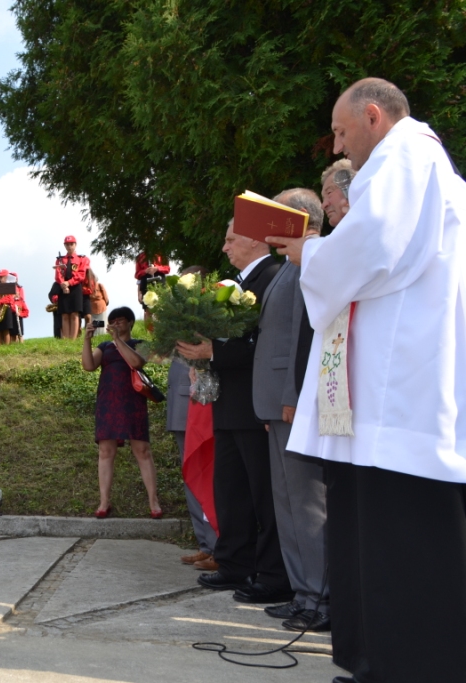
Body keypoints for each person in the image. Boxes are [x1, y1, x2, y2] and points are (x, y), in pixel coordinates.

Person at [268, 78, 466, 683]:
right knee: (379, 539)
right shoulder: (421, 161)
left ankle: (401, 667)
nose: (338, 145)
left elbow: (374, 245)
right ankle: (376, 662)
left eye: (342, 131)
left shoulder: (404, 156)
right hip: (398, 385)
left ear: (373, 116)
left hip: (398, 392)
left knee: (400, 545)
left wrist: (311, 255)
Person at [177, 221, 289, 605]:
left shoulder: (273, 276)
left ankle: (274, 573)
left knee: (263, 494)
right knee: (231, 490)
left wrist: (214, 353)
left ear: (256, 238)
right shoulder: (238, 284)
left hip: (254, 405)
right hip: (228, 402)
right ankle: (234, 562)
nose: (224, 248)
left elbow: (264, 344)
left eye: (230, 239)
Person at [250, 189, 330, 632]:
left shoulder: (311, 261)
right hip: (276, 404)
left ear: (297, 219)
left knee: (307, 503)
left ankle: (320, 596)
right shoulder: (290, 265)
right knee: (287, 504)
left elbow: (304, 336)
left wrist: (292, 396)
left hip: (292, 401)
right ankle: (304, 593)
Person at [81, 307, 160, 518]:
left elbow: (136, 362)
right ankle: (104, 502)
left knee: (142, 450)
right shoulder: (104, 346)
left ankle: (154, 502)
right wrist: (87, 340)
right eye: (112, 320)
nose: (116, 323)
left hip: (132, 401)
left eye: (121, 320)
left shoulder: (139, 344)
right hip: (108, 401)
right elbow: (89, 365)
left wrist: (118, 340)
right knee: (105, 451)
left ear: (131, 323)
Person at [166, 267, 218, 570]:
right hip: (179, 404)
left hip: (201, 402)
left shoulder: (211, 313)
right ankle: (204, 543)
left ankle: (218, 546)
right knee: (191, 477)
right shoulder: (175, 317)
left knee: (208, 475)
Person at [55, 236, 89, 340]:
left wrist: (69, 283)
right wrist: (63, 284)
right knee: (65, 314)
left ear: (75, 245)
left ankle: (73, 339)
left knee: (74, 314)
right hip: (63, 287)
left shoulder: (82, 258)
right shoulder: (60, 260)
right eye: (67, 244)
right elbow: (58, 274)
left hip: (75, 287)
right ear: (64, 245)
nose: (69, 246)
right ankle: (66, 339)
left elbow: (81, 274)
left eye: (71, 244)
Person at [135, 252, 169, 328]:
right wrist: (145, 271)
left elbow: (167, 268)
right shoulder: (140, 256)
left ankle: (162, 331)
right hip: (146, 285)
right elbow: (137, 274)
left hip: (160, 283)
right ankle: (150, 333)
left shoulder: (162, 254)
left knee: (162, 307)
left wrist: (157, 268)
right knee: (148, 310)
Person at [0, 270, 17, 346]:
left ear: (6, 277)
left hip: (6, 309)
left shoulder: (10, 286)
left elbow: (9, 298)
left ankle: (6, 347)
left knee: (6, 330)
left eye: (1, 277)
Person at [10, 272, 28, 343]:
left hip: (18, 308)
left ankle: (20, 343)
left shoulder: (20, 288)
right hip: (12, 309)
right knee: (13, 332)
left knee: (20, 331)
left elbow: (22, 299)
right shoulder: (8, 287)